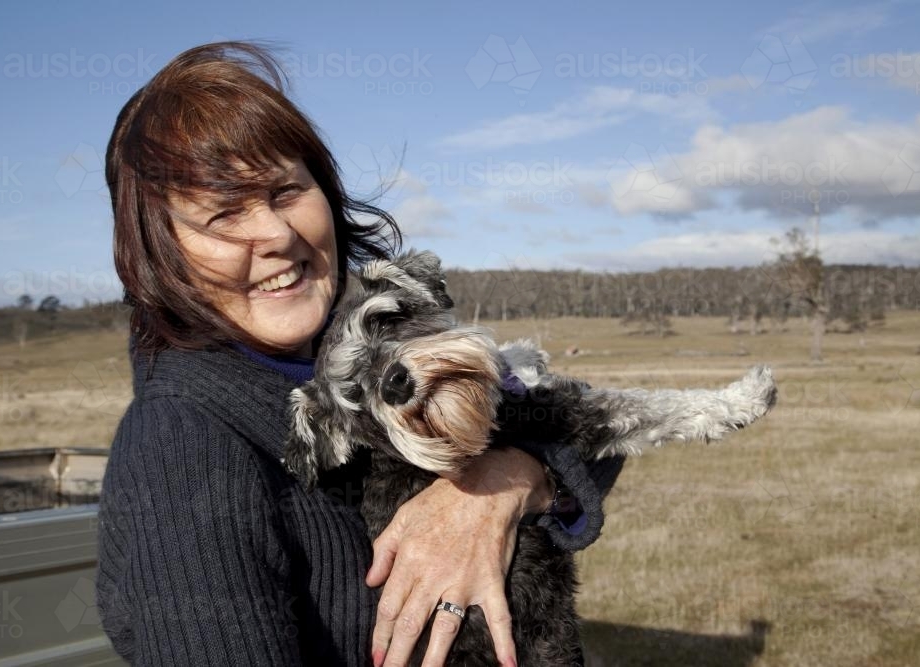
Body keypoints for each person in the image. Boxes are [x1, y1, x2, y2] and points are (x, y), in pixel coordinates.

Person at [95, 42, 624, 666]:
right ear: (160, 253)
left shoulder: (372, 350)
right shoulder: (183, 449)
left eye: (286, 191)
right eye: (224, 214)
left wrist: (499, 484)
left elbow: (600, 437)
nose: (277, 234)